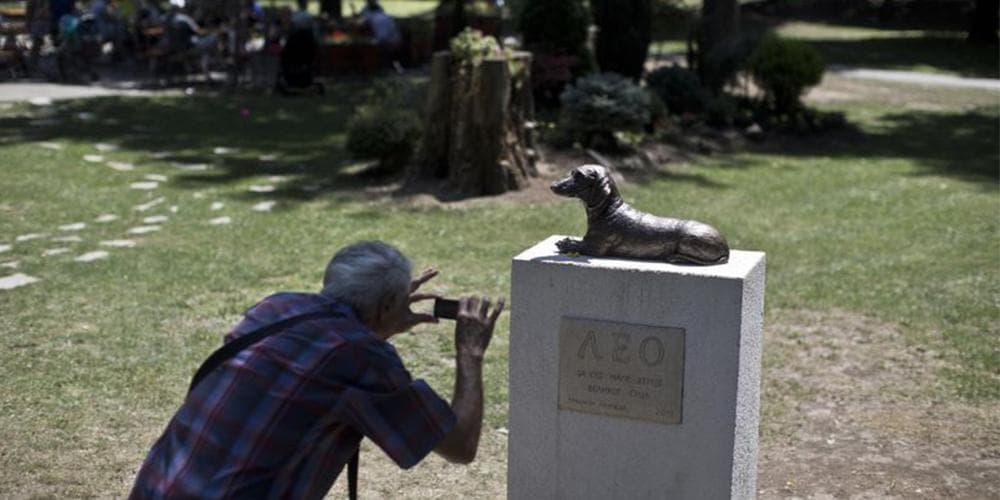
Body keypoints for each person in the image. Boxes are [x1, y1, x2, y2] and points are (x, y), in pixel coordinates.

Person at [129, 241, 504, 498]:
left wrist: (381, 321)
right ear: (390, 302)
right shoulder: (363, 359)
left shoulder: (275, 307)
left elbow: (324, 360)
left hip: (157, 487)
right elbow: (460, 446)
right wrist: (470, 353)